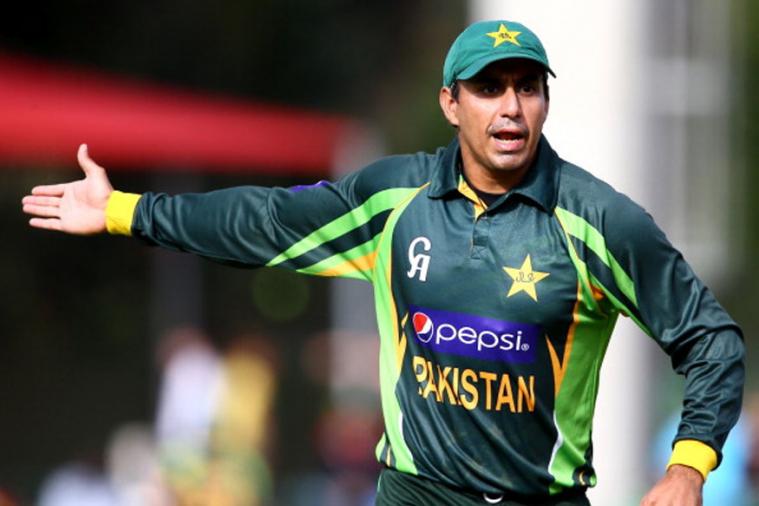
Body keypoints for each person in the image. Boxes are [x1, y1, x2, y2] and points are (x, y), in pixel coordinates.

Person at [22, 19, 744, 506]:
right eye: (488, 87)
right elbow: (264, 221)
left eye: (527, 86)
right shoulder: (394, 201)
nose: (510, 107)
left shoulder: (600, 222)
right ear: (450, 103)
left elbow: (711, 339)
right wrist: (122, 210)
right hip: (413, 493)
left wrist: (688, 468)